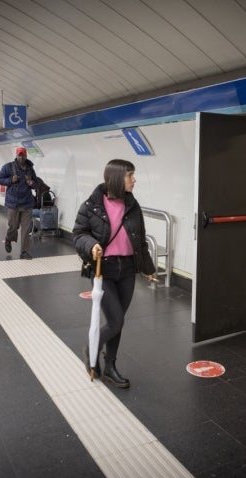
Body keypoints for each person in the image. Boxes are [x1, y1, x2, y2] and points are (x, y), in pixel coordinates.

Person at [73, 159, 157, 388]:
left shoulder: (133, 205)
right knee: (116, 320)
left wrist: (148, 269)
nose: (134, 179)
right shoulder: (91, 205)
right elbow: (78, 234)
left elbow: (140, 239)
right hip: (104, 269)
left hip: (128, 269)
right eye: (130, 175)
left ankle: (110, 366)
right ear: (117, 178)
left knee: (116, 321)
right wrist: (91, 244)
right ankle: (91, 349)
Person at [0, 147, 38, 259]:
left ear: (26, 155)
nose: (21, 157)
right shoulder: (8, 167)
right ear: (16, 155)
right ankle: (9, 239)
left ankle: (24, 251)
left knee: (26, 228)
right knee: (13, 226)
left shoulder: (30, 169)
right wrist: (10, 180)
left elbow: (36, 184)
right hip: (13, 203)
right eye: (19, 155)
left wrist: (31, 182)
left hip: (27, 203)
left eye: (23, 155)